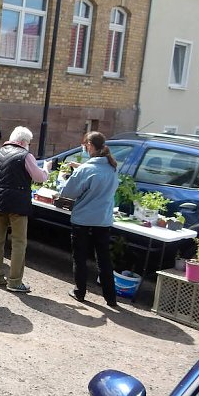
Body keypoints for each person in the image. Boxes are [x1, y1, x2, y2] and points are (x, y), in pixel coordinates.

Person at [0, 126, 50, 294]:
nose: (28, 145)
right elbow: (39, 178)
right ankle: (14, 282)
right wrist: (47, 170)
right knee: (19, 243)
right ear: (23, 142)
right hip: (18, 203)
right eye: (28, 142)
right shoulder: (25, 155)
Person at [60, 131, 119, 307]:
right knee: (104, 259)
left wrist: (64, 179)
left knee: (80, 258)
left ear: (90, 146)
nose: (84, 148)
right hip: (103, 220)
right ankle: (111, 298)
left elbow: (68, 193)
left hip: (83, 220)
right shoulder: (112, 167)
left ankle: (80, 292)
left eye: (85, 146)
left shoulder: (86, 169)